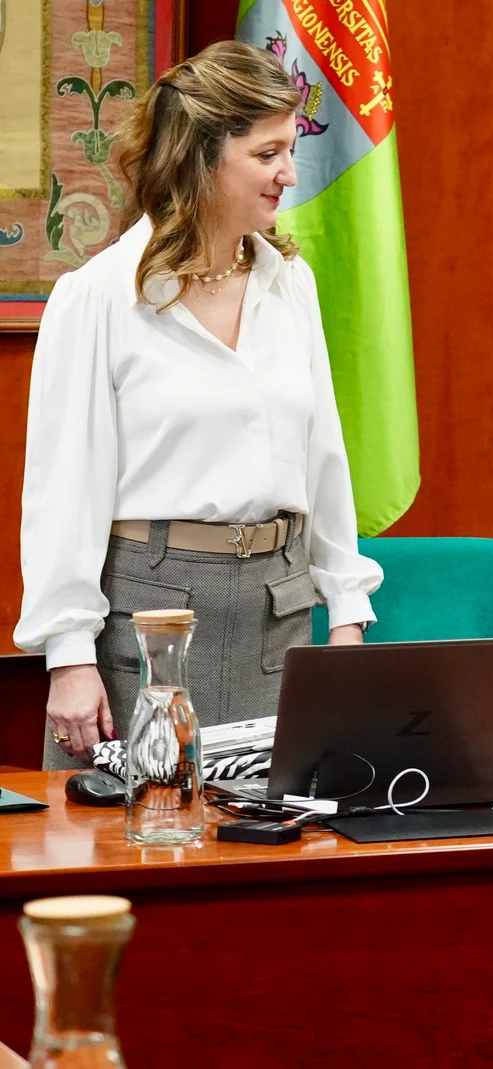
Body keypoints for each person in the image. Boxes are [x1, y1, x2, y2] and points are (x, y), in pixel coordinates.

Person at [17, 41, 382, 769]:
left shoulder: (291, 286)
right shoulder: (96, 296)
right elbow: (64, 487)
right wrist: (69, 653)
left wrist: (347, 614)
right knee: (140, 845)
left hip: (278, 617)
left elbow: (324, 459)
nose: (289, 172)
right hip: (149, 619)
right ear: (202, 158)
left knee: (273, 851)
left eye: (289, 149)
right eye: (268, 152)